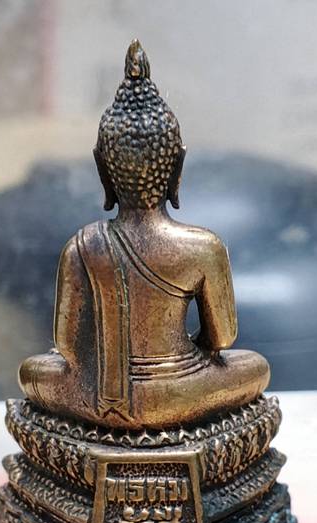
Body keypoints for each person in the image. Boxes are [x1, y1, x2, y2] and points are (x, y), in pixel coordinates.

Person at [19, 40, 269, 430]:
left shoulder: (81, 248)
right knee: (254, 367)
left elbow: (67, 348)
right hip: (185, 391)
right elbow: (222, 340)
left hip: (101, 400)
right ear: (177, 166)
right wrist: (180, 365)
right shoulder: (203, 248)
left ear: (103, 168)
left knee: (33, 371)